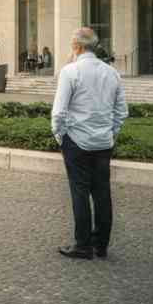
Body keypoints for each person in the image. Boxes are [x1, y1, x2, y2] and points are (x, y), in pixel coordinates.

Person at [51, 27, 128, 260]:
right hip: (103, 142)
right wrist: (111, 134)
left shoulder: (70, 71)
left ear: (76, 47)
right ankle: (101, 245)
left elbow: (59, 112)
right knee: (102, 193)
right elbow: (121, 111)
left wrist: (60, 136)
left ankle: (83, 245)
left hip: (76, 141)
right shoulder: (112, 73)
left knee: (80, 192)